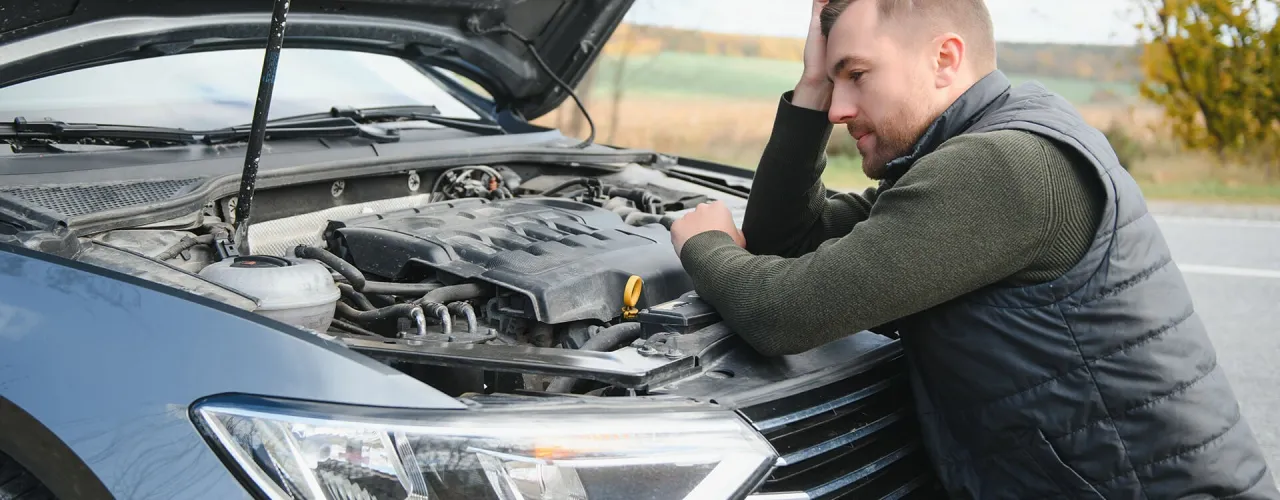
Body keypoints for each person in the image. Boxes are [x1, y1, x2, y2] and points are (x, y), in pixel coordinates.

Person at [668, 0, 1279, 498]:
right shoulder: (978, 149)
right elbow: (791, 240)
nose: (839, 109)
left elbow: (783, 313)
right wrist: (809, 83)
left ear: (944, 58)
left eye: (855, 75)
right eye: (832, 83)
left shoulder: (1003, 167)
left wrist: (708, 243)